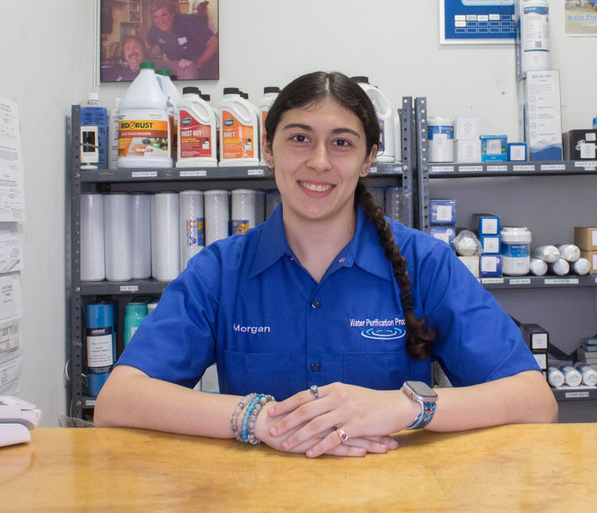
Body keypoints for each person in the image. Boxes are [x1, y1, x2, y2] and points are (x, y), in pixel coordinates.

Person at [94, 71, 558, 457]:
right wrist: (258, 419)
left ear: (368, 159)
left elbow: (534, 400)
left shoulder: (425, 263)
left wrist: (404, 407)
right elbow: (118, 401)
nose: (319, 162)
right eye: (300, 138)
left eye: (341, 143)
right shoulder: (219, 271)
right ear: (268, 149)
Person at [145, 0, 218, 80]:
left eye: (164, 15)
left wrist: (198, 63)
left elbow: (214, 42)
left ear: (172, 14)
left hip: (205, 70)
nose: (161, 21)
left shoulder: (186, 21)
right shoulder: (154, 29)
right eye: (156, 17)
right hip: (181, 70)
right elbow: (146, 48)